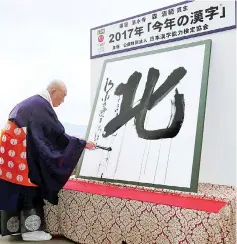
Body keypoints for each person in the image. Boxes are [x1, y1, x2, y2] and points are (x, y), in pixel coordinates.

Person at [0, 80, 96, 241]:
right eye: (63, 95)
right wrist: (80, 143)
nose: (63, 100)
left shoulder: (33, 102)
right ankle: (31, 231)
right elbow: (56, 134)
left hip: (10, 152)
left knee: (15, 187)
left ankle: (15, 227)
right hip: (21, 152)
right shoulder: (41, 105)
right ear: (52, 91)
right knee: (31, 183)